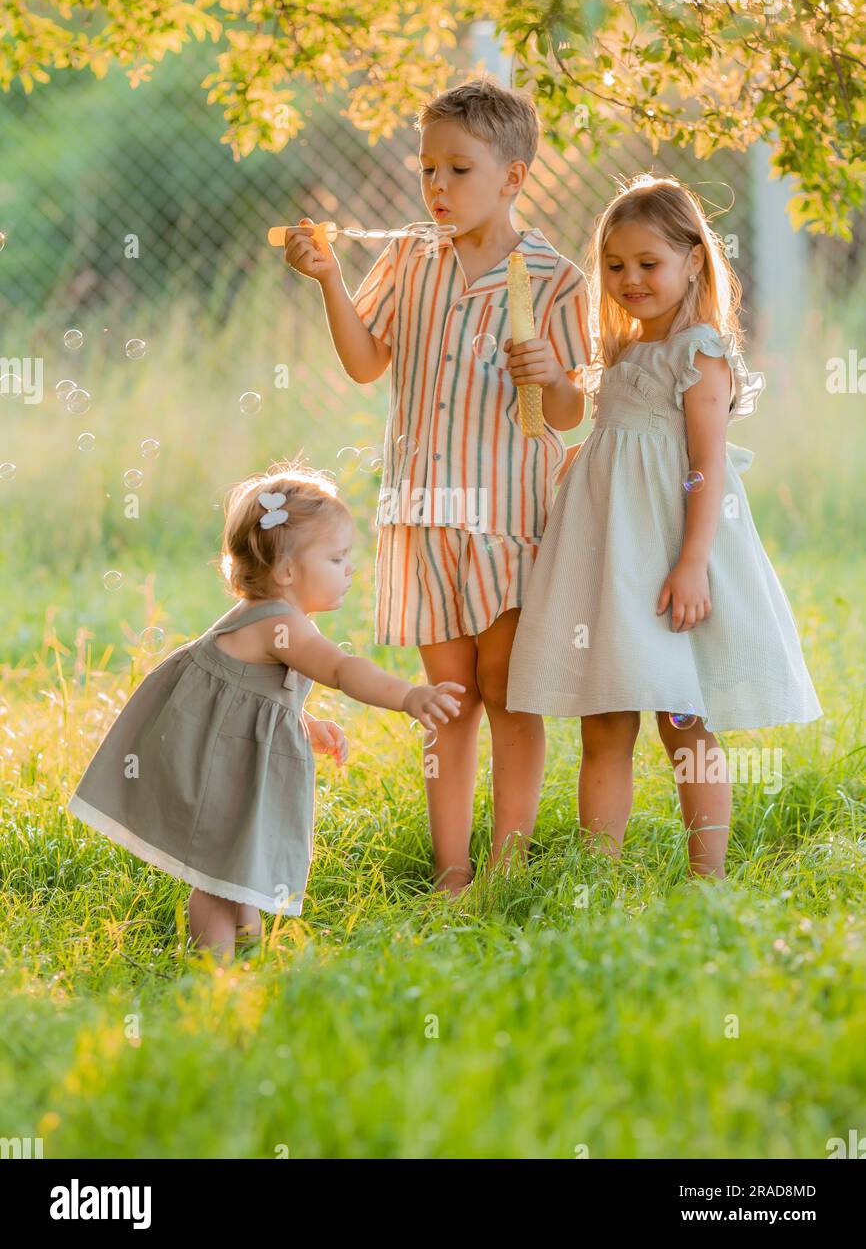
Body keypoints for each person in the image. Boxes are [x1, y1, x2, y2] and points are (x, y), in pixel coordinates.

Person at [282, 75, 591, 893]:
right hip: (423, 513)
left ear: (513, 177)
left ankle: (508, 863)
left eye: (458, 169)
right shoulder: (411, 259)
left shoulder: (555, 279)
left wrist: (553, 373)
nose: (437, 187)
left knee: (509, 693)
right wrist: (327, 282)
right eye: (427, 170)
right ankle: (452, 869)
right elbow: (364, 362)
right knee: (446, 696)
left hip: (508, 516)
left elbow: (565, 413)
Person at [506, 175, 822, 879]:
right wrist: (551, 382)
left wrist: (691, 564)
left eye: (649, 263)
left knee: (686, 722)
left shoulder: (698, 350)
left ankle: (707, 876)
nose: (630, 279)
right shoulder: (621, 355)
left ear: (693, 262)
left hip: (671, 556)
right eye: (615, 266)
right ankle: (599, 875)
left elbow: (706, 464)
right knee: (606, 717)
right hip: (611, 559)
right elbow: (597, 428)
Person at [66, 463, 464, 959]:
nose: (351, 569)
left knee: (238, 861)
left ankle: (249, 952)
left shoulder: (278, 616)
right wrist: (407, 696)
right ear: (288, 571)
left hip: (228, 750)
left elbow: (255, 694)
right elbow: (341, 669)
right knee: (217, 874)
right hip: (216, 760)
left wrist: (305, 721)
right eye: (337, 558)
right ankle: (215, 972)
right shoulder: (282, 624)